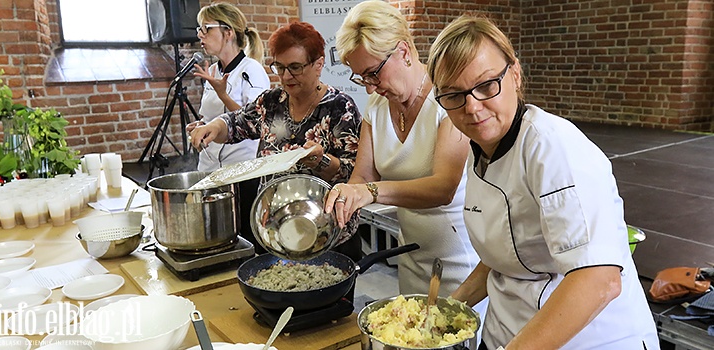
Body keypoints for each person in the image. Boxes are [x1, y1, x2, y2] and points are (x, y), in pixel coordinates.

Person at [426, 15, 660, 350]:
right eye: (453, 95)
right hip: (508, 334)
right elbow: (502, 253)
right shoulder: (479, 153)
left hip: (586, 341)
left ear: (515, 74)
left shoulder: (553, 148)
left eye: (486, 85)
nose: (472, 107)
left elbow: (599, 279)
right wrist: (446, 310)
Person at [330, 0, 487, 319]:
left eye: (373, 73)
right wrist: (348, 195)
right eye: (361, 77)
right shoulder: (375, 106)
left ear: (403, 51)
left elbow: (443, 188)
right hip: (412, 255)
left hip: (460, 259)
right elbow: (362, 176)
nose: (370, 86)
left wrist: (370, 193)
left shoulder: (447, 100)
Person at [189, 21, 363, 262]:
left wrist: (321, 161)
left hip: (327, 235)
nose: (285, 76)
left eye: (295, 67)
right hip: (275, 232)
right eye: (279, 67)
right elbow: (236, 122)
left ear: (319, 64)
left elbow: (355, 175)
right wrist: (213, 127)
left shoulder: (340, 108)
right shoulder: (272, 102)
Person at [186, 2, 271, 252]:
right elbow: (213, 117)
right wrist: (201, 125)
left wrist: (224, 94)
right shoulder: (213, 70)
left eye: (206, 28)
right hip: (210, 170)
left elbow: (258, 122)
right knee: (216, 240)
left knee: (246, 243)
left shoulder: (251, 70)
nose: (200, 35)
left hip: (242, 174)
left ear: (228, 32)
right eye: (199, 29)